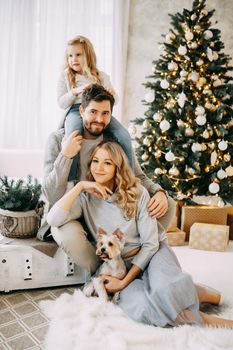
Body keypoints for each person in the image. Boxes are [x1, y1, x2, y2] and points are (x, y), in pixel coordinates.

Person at [47, 140, 233, 328]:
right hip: (121, 265)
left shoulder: (138, 192)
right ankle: (195, 293)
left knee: (164, 290)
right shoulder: (84, 198)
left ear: (117, 167)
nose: (99, 168)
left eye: (107, 162)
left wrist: (122, 284)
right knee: (141, 307)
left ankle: (209, 316)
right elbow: (53, 220)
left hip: (153, 254)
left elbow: (151, 244)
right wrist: (79, 187)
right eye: (95, 161)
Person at [42, 84, 176, 274]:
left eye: (105, 113)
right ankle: (106, 275)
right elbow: (51, 194)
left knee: (167, 204)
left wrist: (160, 192)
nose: (98, 119)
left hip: (105, 206)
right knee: (69, 235)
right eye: (93, 112)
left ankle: (139, 257)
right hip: (71, 207)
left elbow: (137, 175)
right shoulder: (57, 140)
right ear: (81, 111)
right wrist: (65, 156)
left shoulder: (115, 141)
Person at [57, 35, 134, 178]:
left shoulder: (102, 76)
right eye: (70, 56)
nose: (73, 59)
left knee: (123, 135)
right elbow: (61, 103)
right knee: (72, 138)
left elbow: (114, 101)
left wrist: (112, 94)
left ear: (88, 55)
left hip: (101, 111)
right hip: (75, 110)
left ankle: (130, 176)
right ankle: (70, 180)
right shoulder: (66, 76)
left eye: (78, 55)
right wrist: (75, 92)